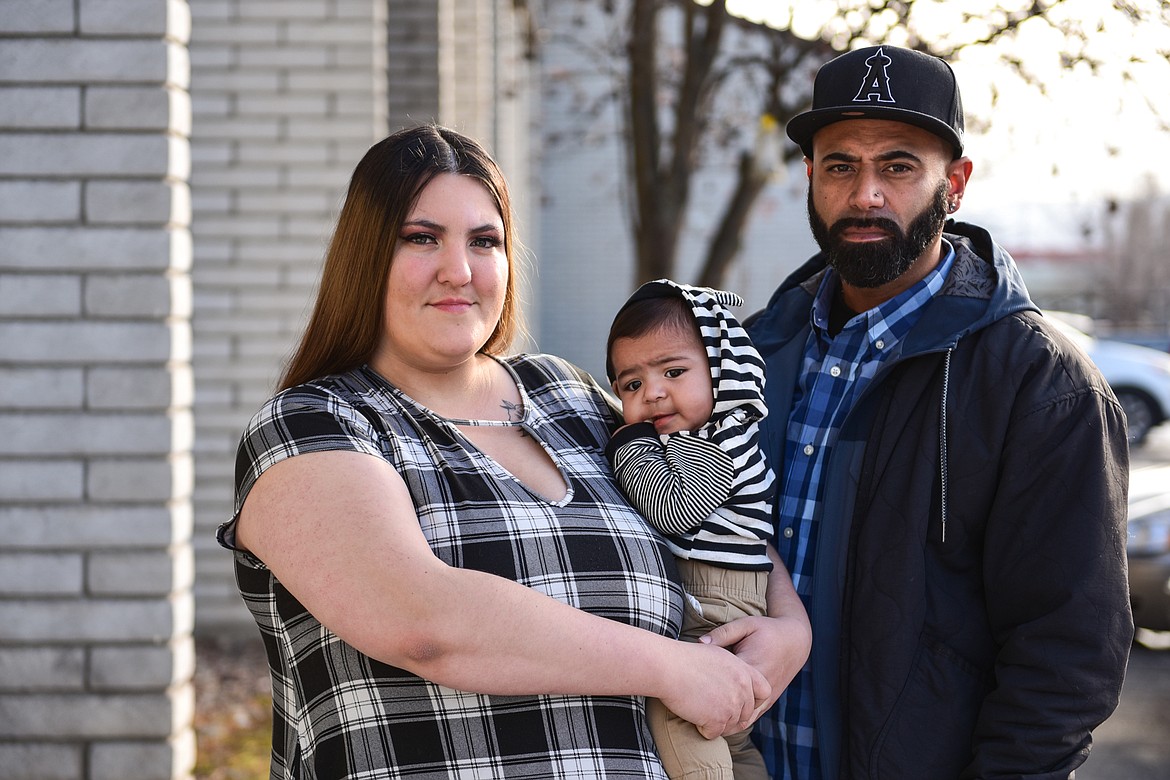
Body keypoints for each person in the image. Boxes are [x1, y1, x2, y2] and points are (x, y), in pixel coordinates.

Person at [216, 124, 812, 780]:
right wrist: (670, 667)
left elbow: (715, 510)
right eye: (421, 238)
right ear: (366, 256)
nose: (459, 270)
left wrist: (788, 627)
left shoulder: (573, 398)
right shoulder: (313, 426)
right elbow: (423, 620)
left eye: (484, 241)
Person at [744, 45, 1133, 779]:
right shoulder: (749, 356)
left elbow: (1067, 654)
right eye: (839, 166)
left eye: (897, 166)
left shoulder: (1041, 386)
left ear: (953, 184)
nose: (865, 195)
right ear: (810, 177)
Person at [605, 279, 779, 780]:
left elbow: (672, 506)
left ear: (720, 372)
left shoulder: (724, 437)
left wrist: (628, 445)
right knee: (728, 733)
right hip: (716, 590)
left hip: (716, 599)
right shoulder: (697, 436)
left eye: (674, 372)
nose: (653, 393)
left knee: (683, 715)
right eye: (631, 385)